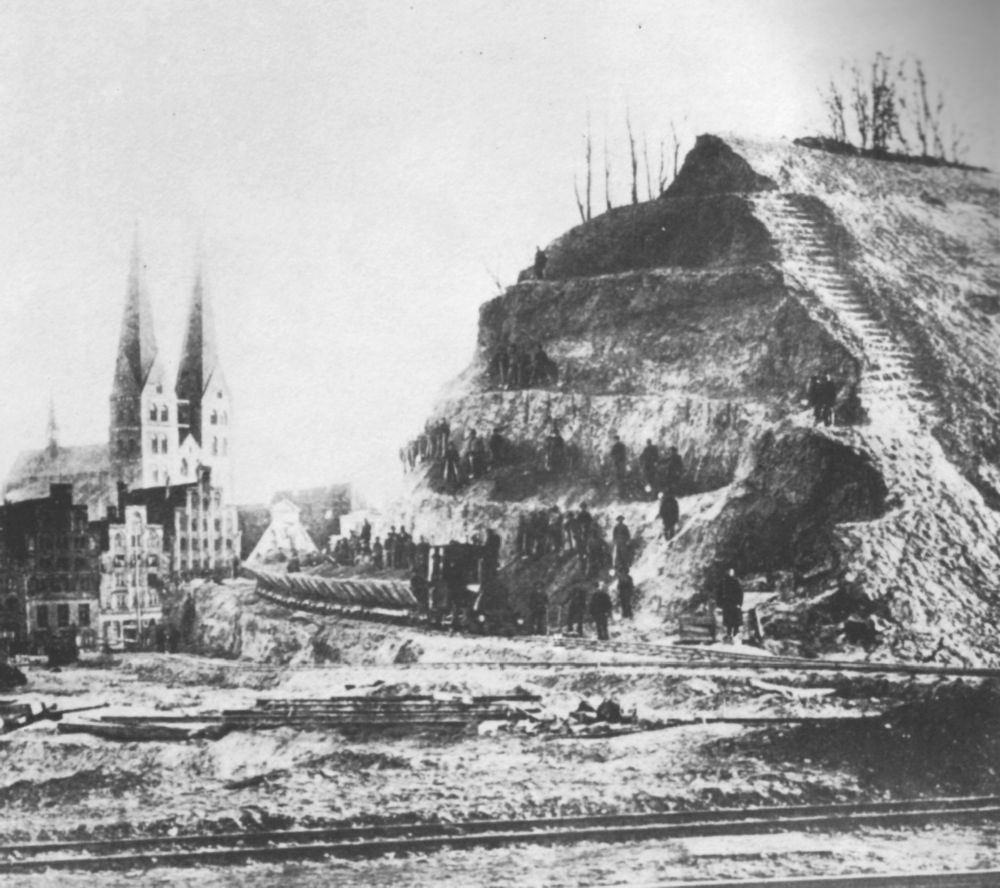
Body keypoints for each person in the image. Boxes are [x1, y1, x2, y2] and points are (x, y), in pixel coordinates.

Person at [718, 566, 744, 642]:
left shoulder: (737, 581)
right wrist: (720, 603)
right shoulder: (723, 582)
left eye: (731, 572)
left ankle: (735, 635)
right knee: (728, 621)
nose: (730, 573)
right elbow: (719, 592)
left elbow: (740, 593)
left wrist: (739, 603)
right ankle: (729, 635)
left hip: (735, 604)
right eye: (728, 571)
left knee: (736, 621)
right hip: (727, 604)